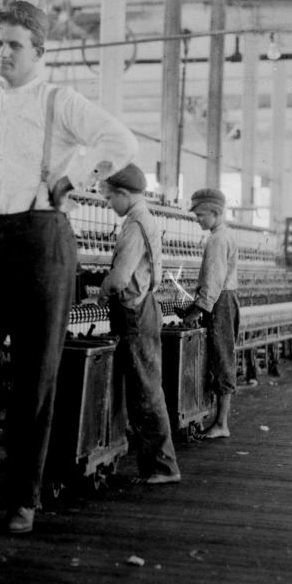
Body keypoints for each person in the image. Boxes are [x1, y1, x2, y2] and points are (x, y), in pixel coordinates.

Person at [0, 0, 138, 534]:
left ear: (39, 52)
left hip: (42, 241)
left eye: (14, 45)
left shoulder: (58, 101)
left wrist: (77, 178)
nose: (3, 53)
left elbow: (121, 141)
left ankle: (22, 497)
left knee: (34, 375)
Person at [96, 164, 181, 484]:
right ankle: (157, 465)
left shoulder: (134, 225)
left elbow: (119, 278)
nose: (108, 204)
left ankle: (163, 467)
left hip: (133, 312)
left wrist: (101, 294)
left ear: (122, 194)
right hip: (144, 308)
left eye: (108, 198)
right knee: (145, 387)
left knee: (145, 390)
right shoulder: (144, 220)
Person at [181, 188, 239, 440]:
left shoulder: (217, 239)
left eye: (201, 215)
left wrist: (197, 310)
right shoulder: (223, 234)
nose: (198, 219)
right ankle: (217, 421)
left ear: (216, 212)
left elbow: (214, 281)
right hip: (223, 301)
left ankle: (221, 424)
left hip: (219, 303)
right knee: (219, 357)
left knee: (221, 359)